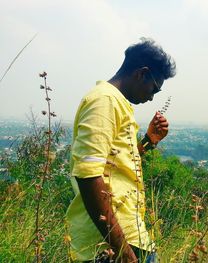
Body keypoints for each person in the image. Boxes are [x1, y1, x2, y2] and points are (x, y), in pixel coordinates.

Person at [66, 38, 176, 262]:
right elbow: (88, 175)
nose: (152, 96)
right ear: (141, 74)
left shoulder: (115, 102)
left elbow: (114, 165)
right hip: (110, 245)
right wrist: (123, 251)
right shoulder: (104, 101)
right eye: (154, 87)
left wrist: (147, 141)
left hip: (127, 238)